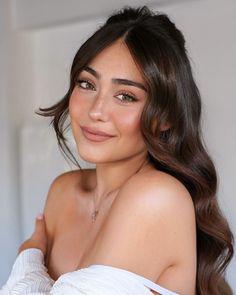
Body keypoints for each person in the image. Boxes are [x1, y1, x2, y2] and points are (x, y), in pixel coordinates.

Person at [0, 6, 234, 295]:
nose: (96, 111)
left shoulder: (157, 197)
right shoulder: (63, 192)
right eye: (87, 84)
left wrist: (28, 261)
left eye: (126, 96)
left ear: (165, 118)